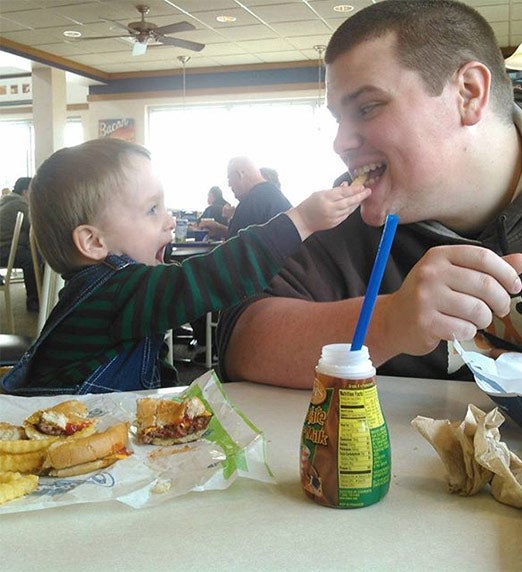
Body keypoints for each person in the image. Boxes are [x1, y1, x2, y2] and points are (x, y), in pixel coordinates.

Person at [217, 0, 522, 389]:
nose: (340, 142)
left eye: (367, 108)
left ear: (468, 94)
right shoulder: (352, 211)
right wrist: (389, 321)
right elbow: (243, 341)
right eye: (338, 118)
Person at [0, 138, 369, 396]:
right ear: (94, 243)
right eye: (151, 210)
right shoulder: (115, 290)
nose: (169, 221)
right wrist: (302, 220)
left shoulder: (104, 291)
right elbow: (208, 279)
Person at [0, 176, 40, 312]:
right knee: (31, 259)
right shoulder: (20, 205)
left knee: (31, 252)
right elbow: (36, 228)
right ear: (25, 192)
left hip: (4, 246)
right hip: (3, 249)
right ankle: (34, 299)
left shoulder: (7, 201)